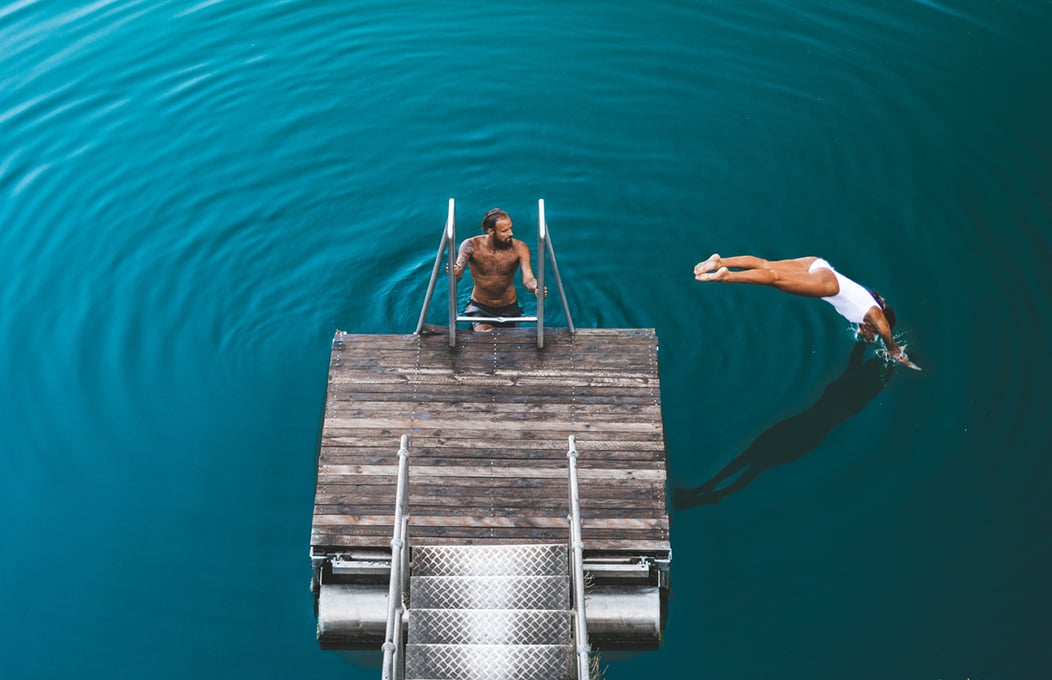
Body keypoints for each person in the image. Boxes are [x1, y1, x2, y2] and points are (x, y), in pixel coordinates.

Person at [694, 253, 921, 370]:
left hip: (817, 264)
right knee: (775, 279)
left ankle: (719, 261)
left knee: (766, 264)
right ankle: (727, 275)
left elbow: (868, 331)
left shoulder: (870, 307)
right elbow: (882, 328)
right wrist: (895, 352)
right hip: (829, 285)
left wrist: (866, 336)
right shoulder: (874, 315)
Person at [453, 208, 542, 331]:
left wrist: (536, 287)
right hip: (480, 306)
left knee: (510, 340)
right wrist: (455, 272)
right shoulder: (471, 245)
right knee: (483, 337)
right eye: (504, 231)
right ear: (491, 231)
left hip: (509, 306)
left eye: (510, 228)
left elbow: (528, 279)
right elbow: (458, 275)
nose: (511, 233)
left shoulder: (520, 248)